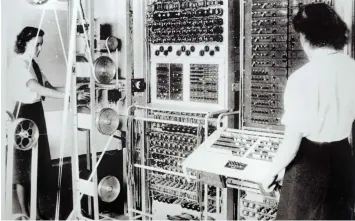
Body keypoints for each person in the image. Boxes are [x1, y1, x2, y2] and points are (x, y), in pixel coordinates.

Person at [261, 3, 355, 220]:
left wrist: (271, 172)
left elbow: (291, 144)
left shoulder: (302, 78)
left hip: (309, 168)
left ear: (304, 37)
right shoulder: (352, 68)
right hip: (343, 162)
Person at [8, 26, 89, 219]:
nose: (39, 49)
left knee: (37, 165)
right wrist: (68, 96)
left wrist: (73, 91)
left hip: (37, 114)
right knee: (24, 167)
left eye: (41, 45)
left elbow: (49, 87)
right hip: (24, 117)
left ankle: (37, 214)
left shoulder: (33, 64)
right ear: (25, 43)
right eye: (37, 45)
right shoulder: (19, 64)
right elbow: (38, 89)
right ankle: (25, 214)